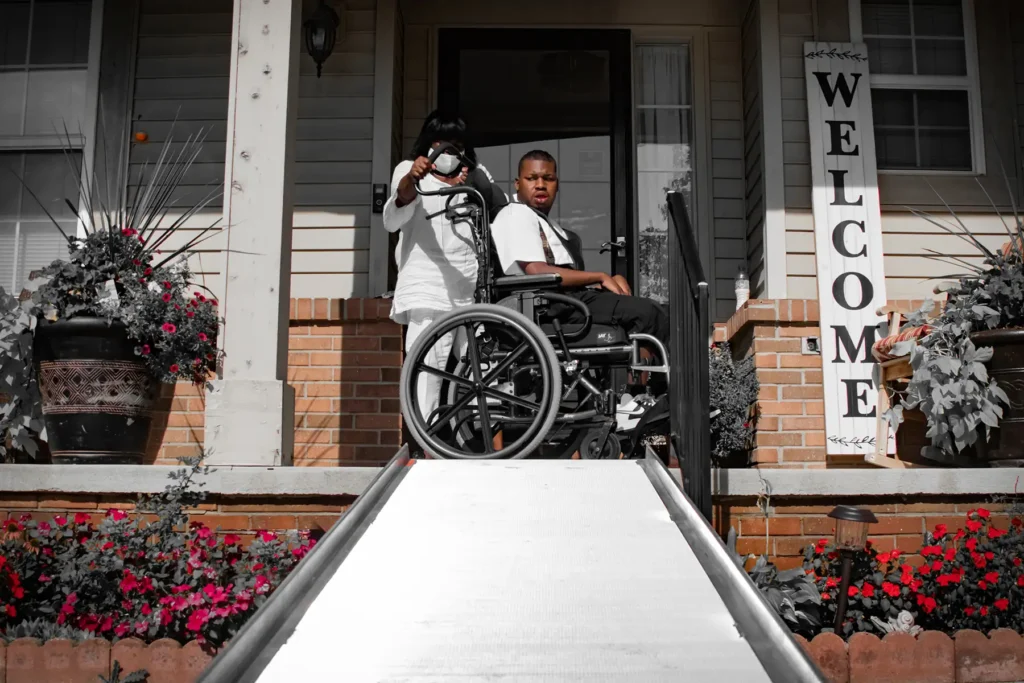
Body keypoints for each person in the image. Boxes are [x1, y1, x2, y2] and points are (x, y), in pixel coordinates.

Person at [383, 110, 506, 423]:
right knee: (430, 373)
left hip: (468, 294)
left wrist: (473, 180)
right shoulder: (408, 171)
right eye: (439, 142)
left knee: (483, 375)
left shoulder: (474, 174)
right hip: (429, 292)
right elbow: (396, 211)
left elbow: (499, 211)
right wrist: (414, 176)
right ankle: (427, 448)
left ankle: (477, 444)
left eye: (453, 144)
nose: (445, 150)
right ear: (427, 143)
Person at [490, 149, 670, 348]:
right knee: (648, 313)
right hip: (543, 307)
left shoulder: (547, 223)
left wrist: (606, 283)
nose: (540, 185)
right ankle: (646, 379)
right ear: (518, 184)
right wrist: (600, 276)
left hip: (562, 302)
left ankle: (639, 377)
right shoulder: (516, 214)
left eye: (548, 178)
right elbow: (536, 271)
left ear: (557, 184)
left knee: (650, 311)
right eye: (532, 178)